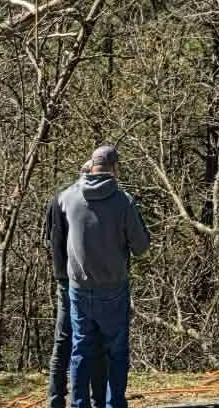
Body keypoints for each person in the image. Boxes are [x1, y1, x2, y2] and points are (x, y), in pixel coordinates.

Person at [48, 144, 150, 408]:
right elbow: (141, 247)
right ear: (114, 168)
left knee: (80, 350)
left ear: (91, 166)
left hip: (79, 289)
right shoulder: (123, 201)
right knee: (115, 352)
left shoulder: (68, 197)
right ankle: (113, 403)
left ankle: (78, 404)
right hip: (113, 288)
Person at [45, 181, 108, 408]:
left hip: (63, 275)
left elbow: (50, 239)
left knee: (63, 340)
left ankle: (56, 399)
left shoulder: (59, 199)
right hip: (79, 280)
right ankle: (97, 400)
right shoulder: (81, 201)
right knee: (94, 340)